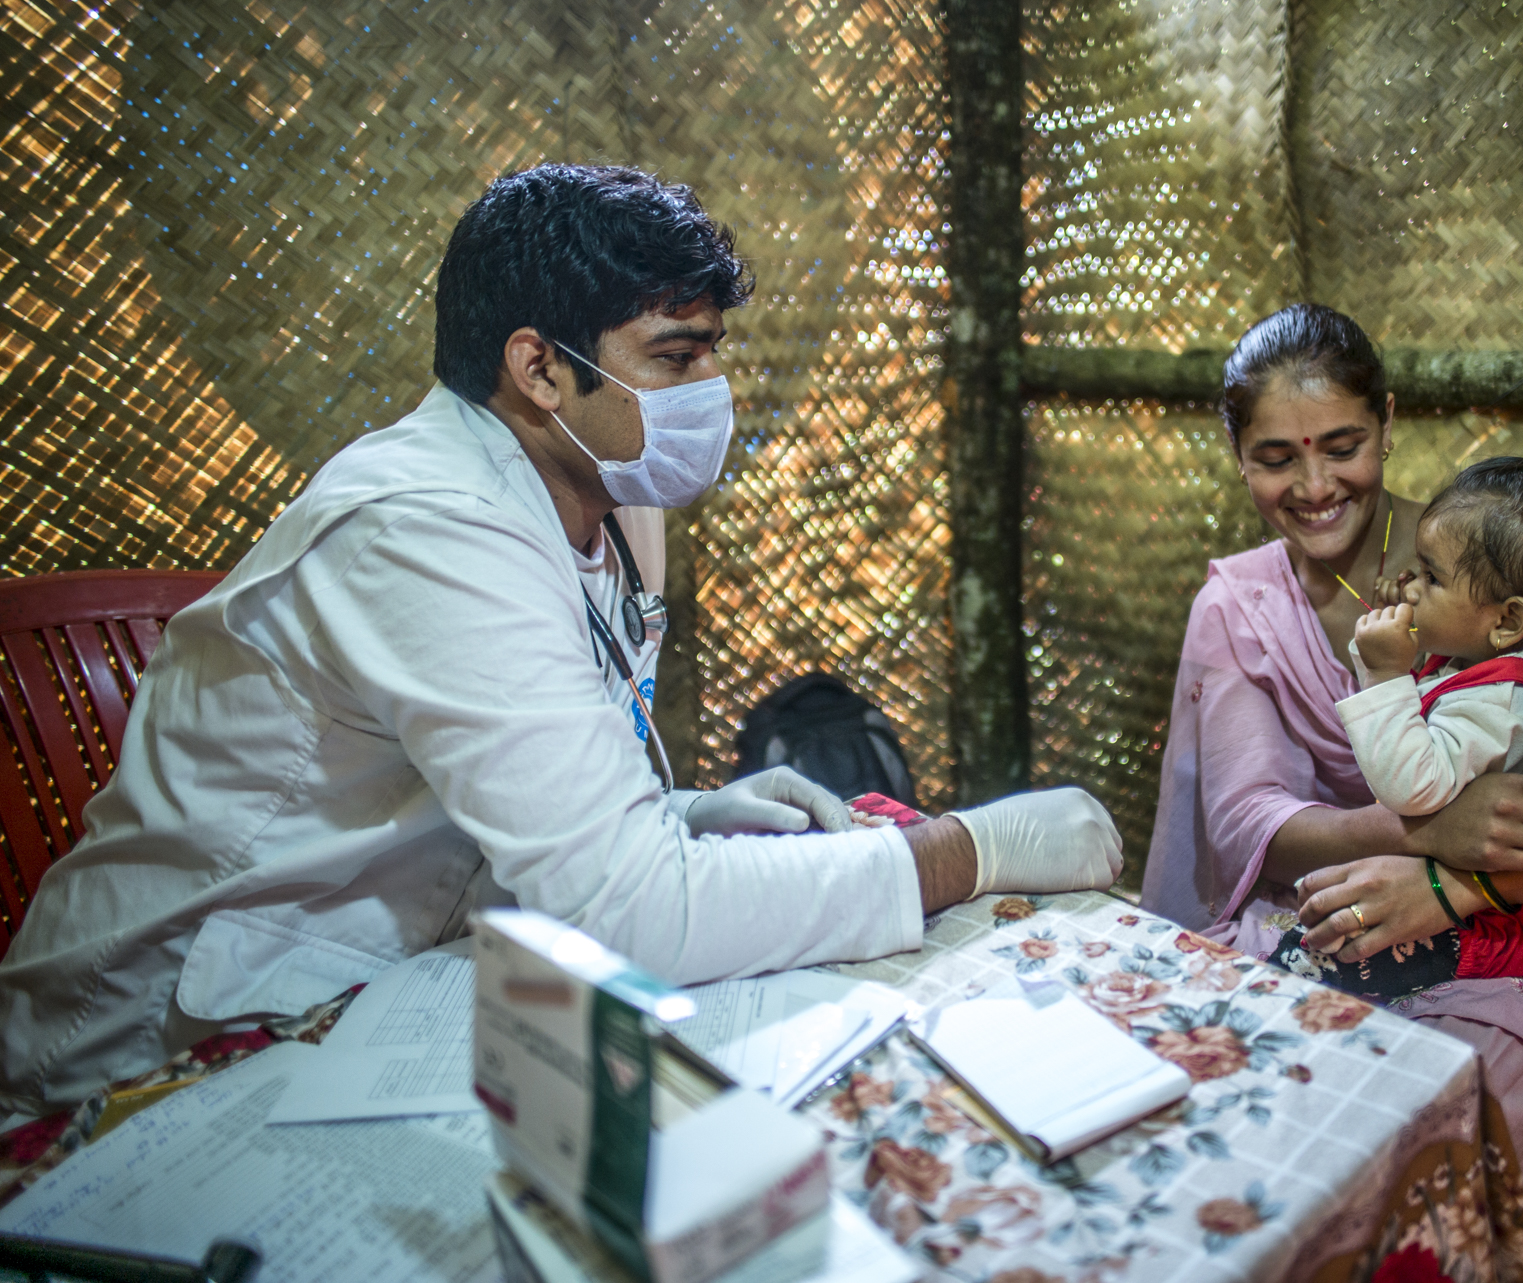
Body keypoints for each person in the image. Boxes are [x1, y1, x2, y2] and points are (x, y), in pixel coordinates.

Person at [0, 164, 1122, 1115]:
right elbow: (633, 911)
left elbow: (524, 801)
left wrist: (681, 814)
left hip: (394, 975)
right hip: (154, 1049)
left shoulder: (611, 498)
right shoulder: (424, 528)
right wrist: (966, 850)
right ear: (539, 368)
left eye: (713, 353)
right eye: (676, 358)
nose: (711, 393)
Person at [1142, 303, 1523, 1282]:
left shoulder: (1496, 563)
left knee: (1462, 1073)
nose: (1315, 486)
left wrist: (1461, 886)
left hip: (1522, 917)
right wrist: (1433, 829)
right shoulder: (1237, 606)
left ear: (1388, 423)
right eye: (1277, 457)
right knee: (1234, 1060)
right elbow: (1250, 825)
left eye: (1342, 446)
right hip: (1322, 903)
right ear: (1239, 456)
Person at [1267, 451, 1523, 1002]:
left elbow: (1413, 788)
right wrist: (1423, 615)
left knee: (1307, 959)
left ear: (1507, 621)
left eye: (1431, 578)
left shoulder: (1502, 701)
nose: (1409, 588)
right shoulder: (1487, 662)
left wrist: (1385, 672)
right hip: (1466, 882)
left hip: (1501, 915)